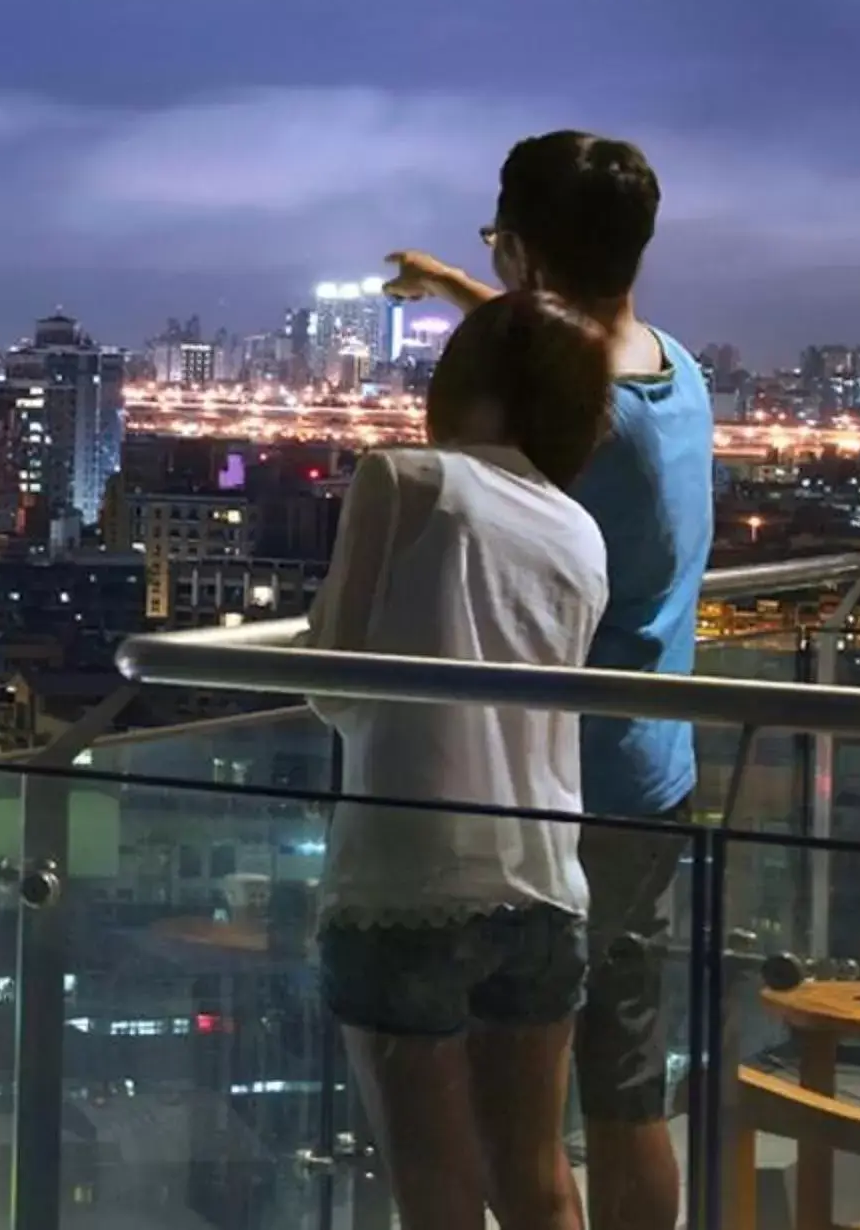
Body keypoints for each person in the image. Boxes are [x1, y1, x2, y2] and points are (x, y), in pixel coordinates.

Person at [386, 131, 714, 1230]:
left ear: (523, 249)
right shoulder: (675, 370)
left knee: (514, 1119)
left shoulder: (574, 425)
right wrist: (463, 289)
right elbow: (573, 349)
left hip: (552, 796)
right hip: (652, 775)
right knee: (626, 1088)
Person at [312, 290, 617, 1230]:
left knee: (432, 1189)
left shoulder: (405, 480)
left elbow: (333, 681)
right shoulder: (578, 528)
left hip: (405, 878)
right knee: (534, 1177)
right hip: (544, 881)